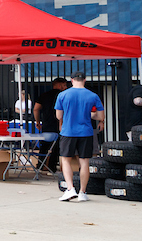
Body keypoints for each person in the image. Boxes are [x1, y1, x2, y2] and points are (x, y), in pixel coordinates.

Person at [55, 71, 105, 202]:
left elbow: (58, 116)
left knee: (65, 160)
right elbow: (100, 116)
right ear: (85, 80)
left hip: (68, 132)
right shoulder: (93, 95)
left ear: (71, 80)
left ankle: (70, 189)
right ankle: (83, 192)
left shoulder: (62, 95)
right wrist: (90, 115)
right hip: (86, 132)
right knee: (84, 162)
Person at [34, 77, 68, 173]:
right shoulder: (63, 95)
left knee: (44, 147)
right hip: (59, 125)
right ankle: (52, 167)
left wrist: (37, 121)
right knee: (56, 148)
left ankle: (41, 165)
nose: (66, 87)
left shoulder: (44, 95)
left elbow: (36, 109)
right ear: (59, 85)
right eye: (64, 85)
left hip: (47, 125)